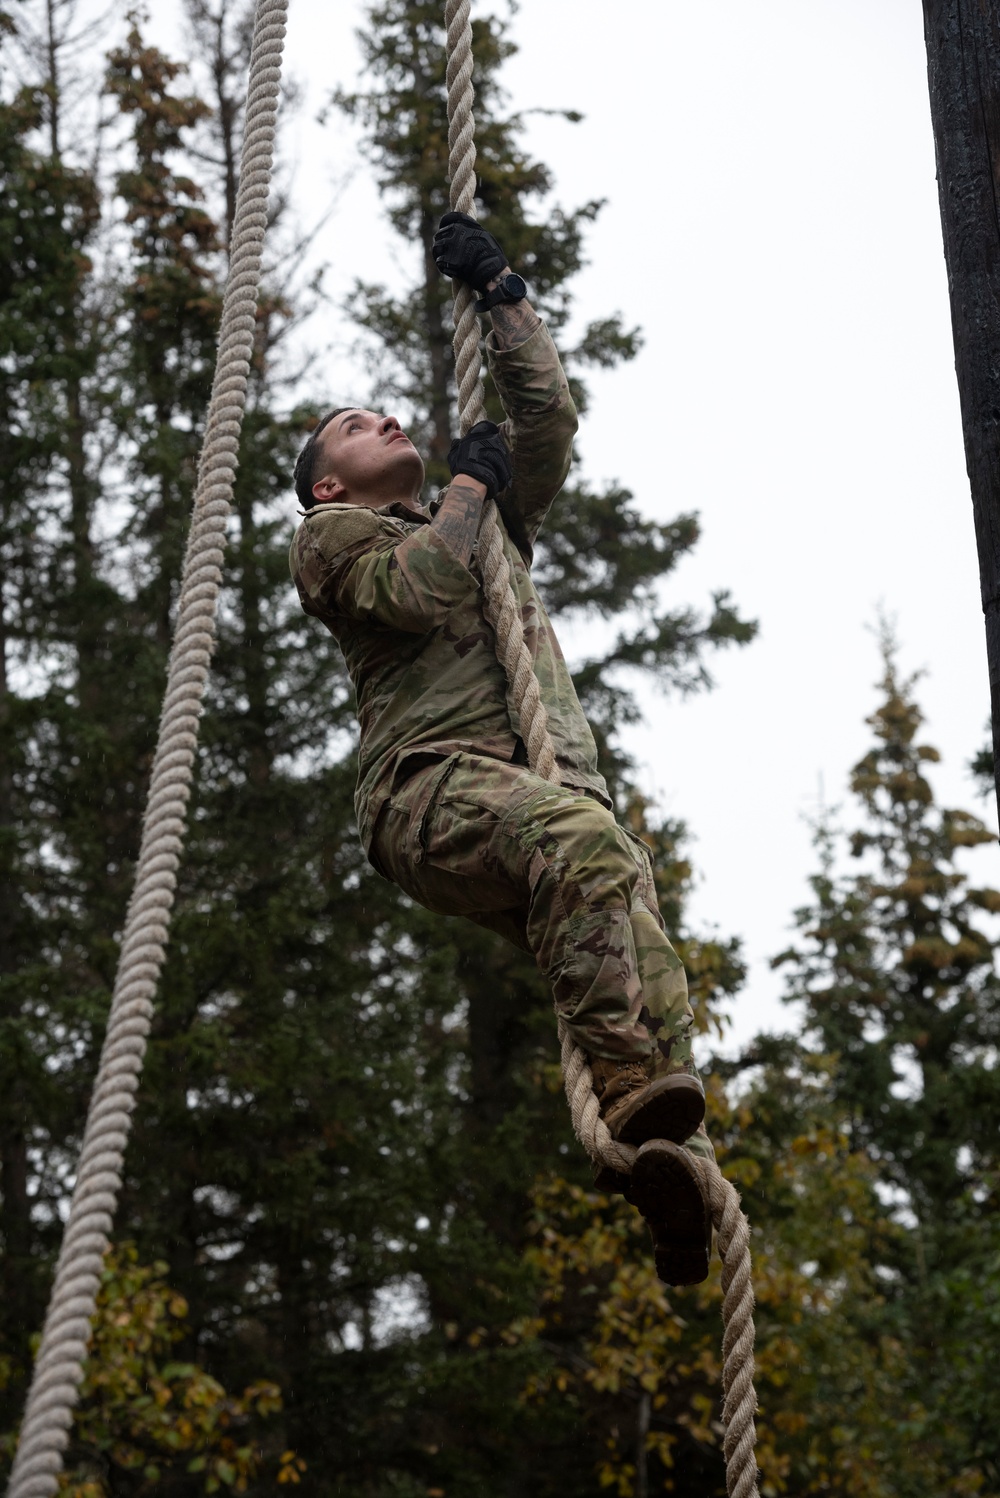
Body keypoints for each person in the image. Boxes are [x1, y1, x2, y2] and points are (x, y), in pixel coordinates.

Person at [289, 212, 714, 1286]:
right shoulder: (334, 539)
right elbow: (424, 587)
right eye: (354, 424)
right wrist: (470, 491)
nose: (383, 416)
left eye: (381, 410)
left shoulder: (482, 527)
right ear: (329, 483)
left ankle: (665, 1177)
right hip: (429, 795)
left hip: (529, 795)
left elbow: (548, 424)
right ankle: (630, 1100)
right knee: (582, 839)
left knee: (640, 945)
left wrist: (504, 297)